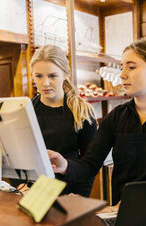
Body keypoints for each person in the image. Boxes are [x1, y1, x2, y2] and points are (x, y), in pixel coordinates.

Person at [48, 38, 146, 205]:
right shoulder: (116, 117)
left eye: (131, 67)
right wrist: (64, 165)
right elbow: (89, 165)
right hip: (122, 217)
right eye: (122, 67)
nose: (122, 74)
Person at [30, 44, 97, 197]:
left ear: (66, 74)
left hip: (70, 192)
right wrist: (19, 186)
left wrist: (81, 196)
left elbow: (90, 163)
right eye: (39, 76)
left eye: (52, 76)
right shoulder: (25, 110)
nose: (45, 83)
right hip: (34, 194)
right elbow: (18, 157)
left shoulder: (82, 112)